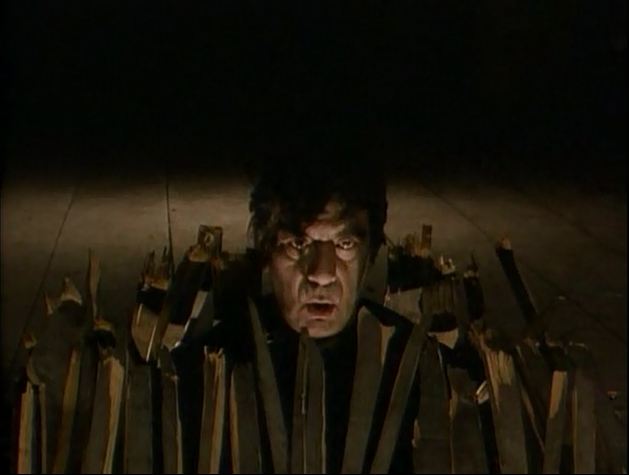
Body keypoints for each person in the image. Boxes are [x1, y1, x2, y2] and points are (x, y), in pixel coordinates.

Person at [173, 152, 419, 474]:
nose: (322, 274)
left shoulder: (412, 370)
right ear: (267, 252)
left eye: (345, 244)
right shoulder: (207, 371)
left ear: (370, 256)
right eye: (299, 244)